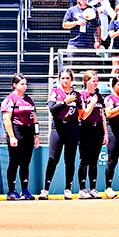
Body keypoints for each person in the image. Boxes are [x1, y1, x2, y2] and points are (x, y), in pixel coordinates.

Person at [44, 71, 83, 200]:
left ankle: (68, 188)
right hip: (58, 127)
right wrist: (66, 101)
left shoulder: (77, 95)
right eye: (63, 78)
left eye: (68, 78)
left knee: (70, 160)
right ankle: (45, 189)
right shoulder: (55, 92)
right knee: (53, 159)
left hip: (72, 127)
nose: (65, 80)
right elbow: (52, 109)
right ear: (59, 79)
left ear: (72, 79)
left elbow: (80, 112)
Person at [4, 75, 39, 200]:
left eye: (25, 84)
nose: (24, 86)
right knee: (14, 162)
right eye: (22, 84)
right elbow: (6, 119)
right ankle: (11, 190)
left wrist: (37, 135)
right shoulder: (10, 99)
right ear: (14, 85)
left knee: (25, 163)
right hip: (17, 131)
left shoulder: (29, 99)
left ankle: (25, 190)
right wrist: (12, 137)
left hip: (28, 132)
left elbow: (34, 119)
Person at [75, 73, 106, 199]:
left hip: (97, 128)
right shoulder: (82, 95)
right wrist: (92, 103)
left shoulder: (99, 96)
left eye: (97, 81)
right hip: (86, 128)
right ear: (87, 81)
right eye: (93, 81)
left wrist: (105, 133)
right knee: (85, 160)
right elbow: (83, 115)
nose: (96, 83)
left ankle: (93, 188)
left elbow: (103, 116)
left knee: (94, 161)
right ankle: (82, 189)